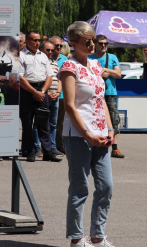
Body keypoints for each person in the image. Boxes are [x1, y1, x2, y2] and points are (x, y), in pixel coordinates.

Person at [60, 22, 115, 247]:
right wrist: (87, 134)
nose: (92, 44)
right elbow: (70, 106)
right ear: (73, 44)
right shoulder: (68, 67)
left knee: (106, 186)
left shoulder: (94, 65)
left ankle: (97, 237)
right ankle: (76, 239)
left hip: (101, 134)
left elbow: (101, 100)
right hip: (78, 135)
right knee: (80, 188)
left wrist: (110, 129)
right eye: (86, 41)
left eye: (93, 39)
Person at [20, 31, 61, 162]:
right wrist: (34, 92)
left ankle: (48, 152)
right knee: (27, 122)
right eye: (34, 40)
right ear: (27, 41)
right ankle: (30, 151)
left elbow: (49, 76)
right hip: (27, 90)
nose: (37, 43)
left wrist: (42, 92)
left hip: (42, 89)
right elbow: (20, 78)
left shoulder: (43, 56)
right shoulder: (20, 56)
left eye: (38, 40)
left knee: (44, 122)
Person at [89, 35, 124, 159]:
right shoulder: (89, 58)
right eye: (100, 43)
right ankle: (95, 144)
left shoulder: (112, 57)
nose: (103, 45)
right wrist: (100, 74)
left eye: (105, 43)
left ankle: (114, 148)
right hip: (94, 93)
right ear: (95, 44)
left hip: (110, 93)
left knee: (114, 120)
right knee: (95, 118)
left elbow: (118, 74)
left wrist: (107, 70)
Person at [31, 41, 63, 157]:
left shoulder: (55, 63)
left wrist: (58, 92)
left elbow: (59, 79)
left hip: (55, 97)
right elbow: (38, 79)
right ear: (42, 49)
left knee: (53, 123)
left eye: (52, 50)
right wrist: (46, 92)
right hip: (43, 96)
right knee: (38, 123)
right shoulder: (37, 61)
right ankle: (37, 146)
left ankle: (52, 147)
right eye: (47, 50)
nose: (50, 52)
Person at [50, 36, 69, 156]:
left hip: (62, 96)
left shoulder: (65, 59)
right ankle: (47, 145)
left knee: (60, 122)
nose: (58, 47)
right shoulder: (46, 57)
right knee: (47, 121)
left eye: (60, 46)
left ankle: (59, 145)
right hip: (48, 95)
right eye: (56, 45)